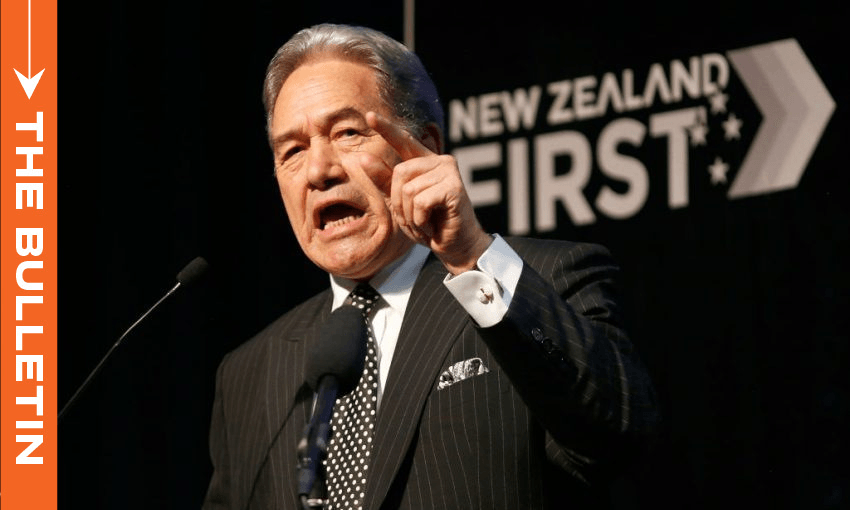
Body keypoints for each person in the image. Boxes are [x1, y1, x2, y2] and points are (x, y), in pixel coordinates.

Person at [203, 23, 658, 510]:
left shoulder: (543, 279)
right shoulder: (248, 372)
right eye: (292, 151)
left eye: (348, 132)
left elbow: (620, 432)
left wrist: (470, 257)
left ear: (425, 146)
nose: (319, 171)